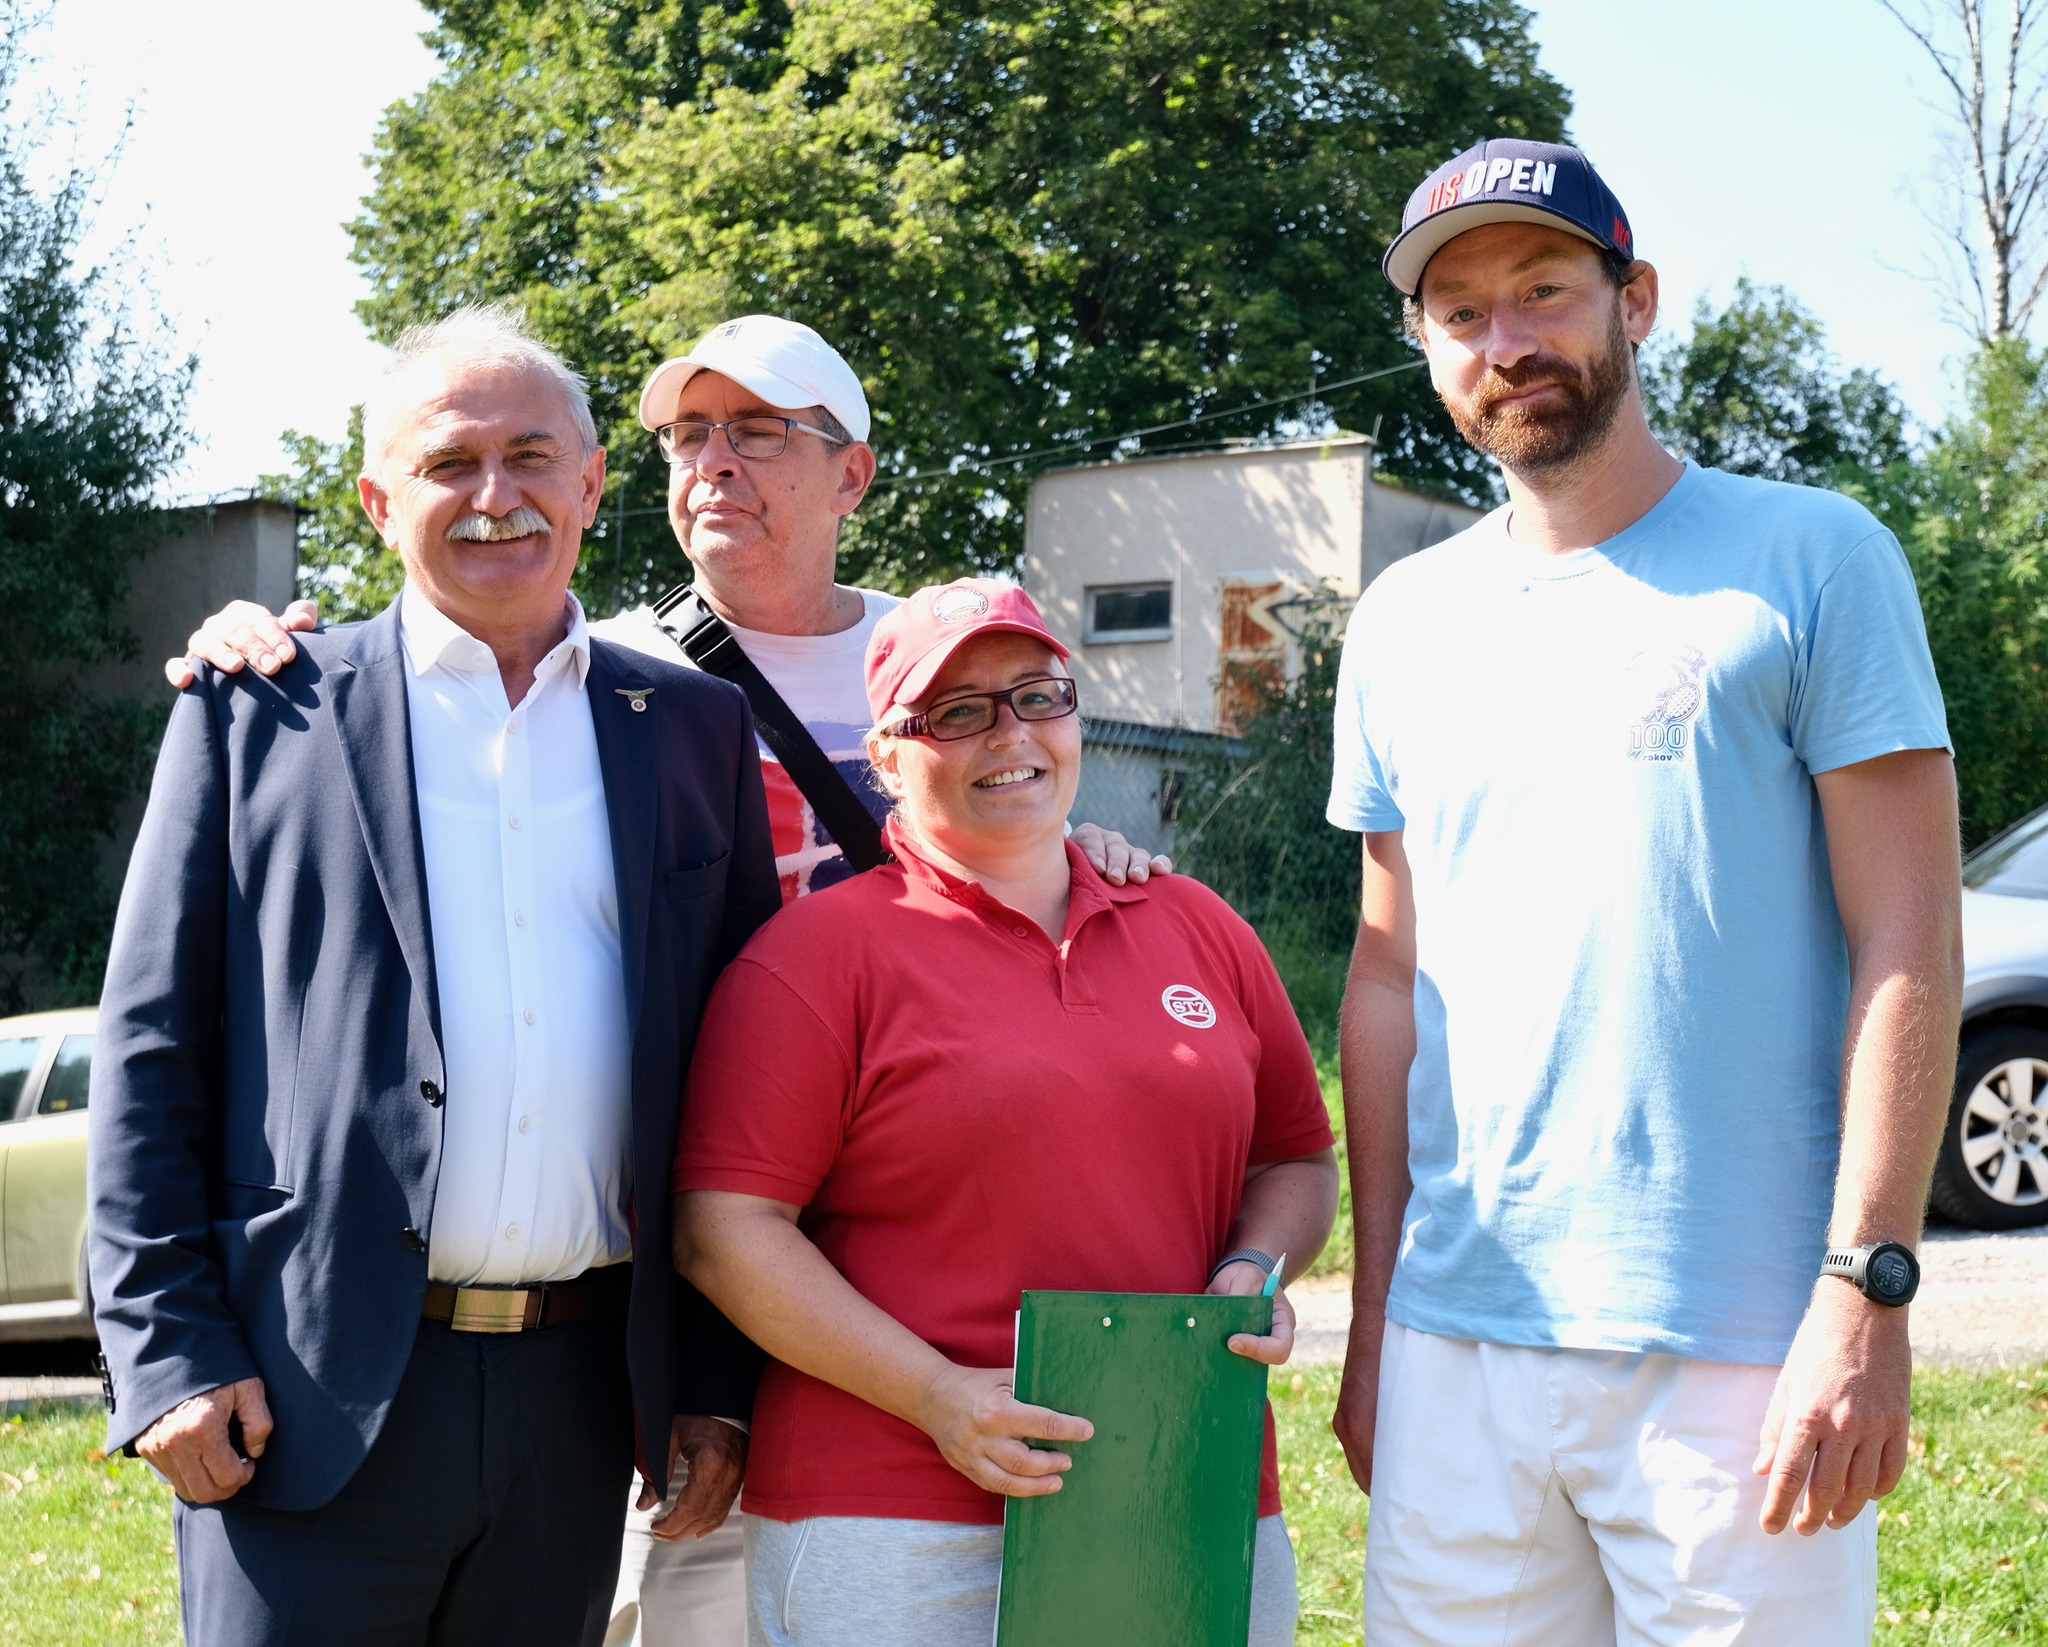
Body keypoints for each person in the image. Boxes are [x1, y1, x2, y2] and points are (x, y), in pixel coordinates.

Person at [163, 315, 1169, 1647]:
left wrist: (1079, 850)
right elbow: (162, 1040)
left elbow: (986, 830)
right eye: (691, 435)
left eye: (759, 433)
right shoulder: (385, 687)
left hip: (766, 1303)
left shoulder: (816, 688)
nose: (717, 465)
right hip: (430, 1344)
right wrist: (169, 1344)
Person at [1327, 138, 1963, 1644]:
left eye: (1545, 289)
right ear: (1427, 352)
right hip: (1457, 1344)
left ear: (1635, 301)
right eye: (1463, 312)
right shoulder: (1403, 619)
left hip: (1740, 1344)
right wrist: (1375, 1323)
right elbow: (1382, 970)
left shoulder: (1814, 558)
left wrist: (1865, 1287)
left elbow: (1909, 936)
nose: (1509, 339)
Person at [87, 306, 782, 1647]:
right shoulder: (260, 711)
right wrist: (169, 1348)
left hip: (578, 1405)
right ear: (375, 498)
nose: (495, 496)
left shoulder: (692, 728)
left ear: (591, 481)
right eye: (450, 462)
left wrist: (713, 1375)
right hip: (300, 1388)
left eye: (532, 455)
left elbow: (733, 1076)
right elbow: (154, 1050)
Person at [670, 577, 1340, 1647]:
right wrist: (938, 1395)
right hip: (894, 1503)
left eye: (1036, 696)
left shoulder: (1197, 925)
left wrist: (1251, 1269)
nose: (1008, 734)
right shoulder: (818, 956)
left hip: (1176, 1478)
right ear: (886, 757)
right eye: (956, 712)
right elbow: (724, 1233)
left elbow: (1297, 1159)